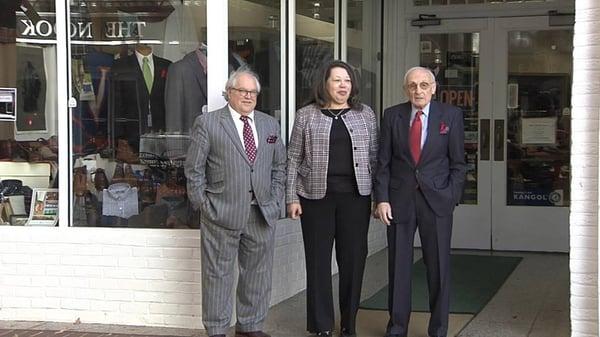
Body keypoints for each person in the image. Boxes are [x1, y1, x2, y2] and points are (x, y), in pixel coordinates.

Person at [184, 67, 286, 337]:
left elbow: (279, 167)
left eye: (253, 92)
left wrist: (275, 201)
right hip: (221, 212)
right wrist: (203, 205)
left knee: (257, 274)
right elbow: (194, 169)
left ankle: (250, 326)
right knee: (217, 275)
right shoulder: (208, 123)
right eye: (243, 91)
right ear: (229, 93)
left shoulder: (268, 124)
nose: (248, 96)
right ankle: (217, 329)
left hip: (261, 213)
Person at [286, 60, 378, 337]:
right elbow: (292, 159)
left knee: (353, 261)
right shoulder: (306, 115)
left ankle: (349, 324)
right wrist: (291, 197)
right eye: (337, 80)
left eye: (347, 80)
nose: (343, 85)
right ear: (324, 84)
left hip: (355, 199)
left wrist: (378, 197)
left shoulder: (366, 115)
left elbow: (375, 157)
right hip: (315, 199)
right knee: (318, 262)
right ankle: (321, 325)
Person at [374, 66, 466, 337]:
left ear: (434, 88)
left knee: (438, 268)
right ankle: (397, 327)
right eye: (413, 85)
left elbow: (459, 164)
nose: (418, 90)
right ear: (406, 89)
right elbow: (383, 163)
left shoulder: (451, 115)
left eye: (424, 85)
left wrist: (450, 197)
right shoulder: (393, 115)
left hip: (437, 201)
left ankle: (438, 329)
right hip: (400, 201)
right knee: (399, 267)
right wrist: (382, 199)